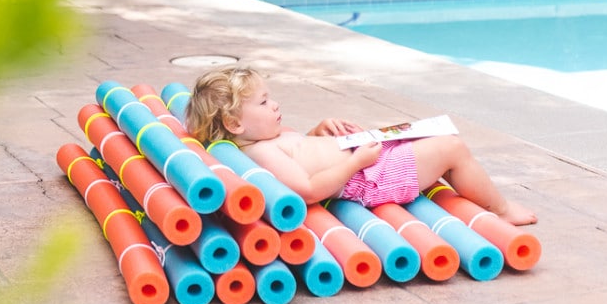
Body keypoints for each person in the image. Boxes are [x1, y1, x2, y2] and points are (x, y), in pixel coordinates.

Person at [185, 65, 537, 226]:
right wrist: (355, 163)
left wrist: (318, 131)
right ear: (234, 124)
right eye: (263, 103)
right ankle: (501, 208)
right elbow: (307, 189)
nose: (274, 105)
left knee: (429, 135)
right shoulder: (261, 151)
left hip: (368, 160)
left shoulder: (265, 138)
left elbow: (305, 155)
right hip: (371, 178)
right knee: (452, 148)